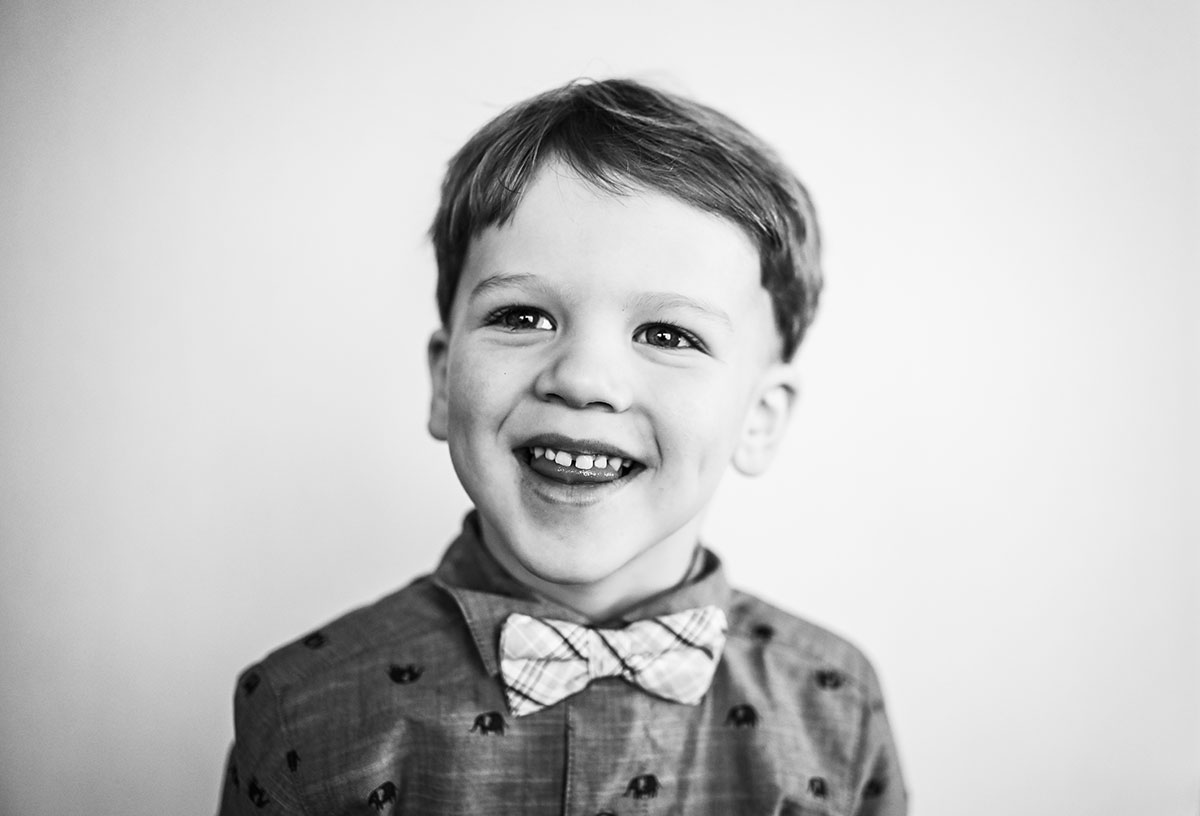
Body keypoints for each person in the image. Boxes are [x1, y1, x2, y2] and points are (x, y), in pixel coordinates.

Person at [218, 78, 906, 815]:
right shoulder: (301, 711)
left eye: (669, 335)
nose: (582, 378)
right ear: (445, 382)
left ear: (760, 419)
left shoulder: (837, 702)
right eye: (522, 316)